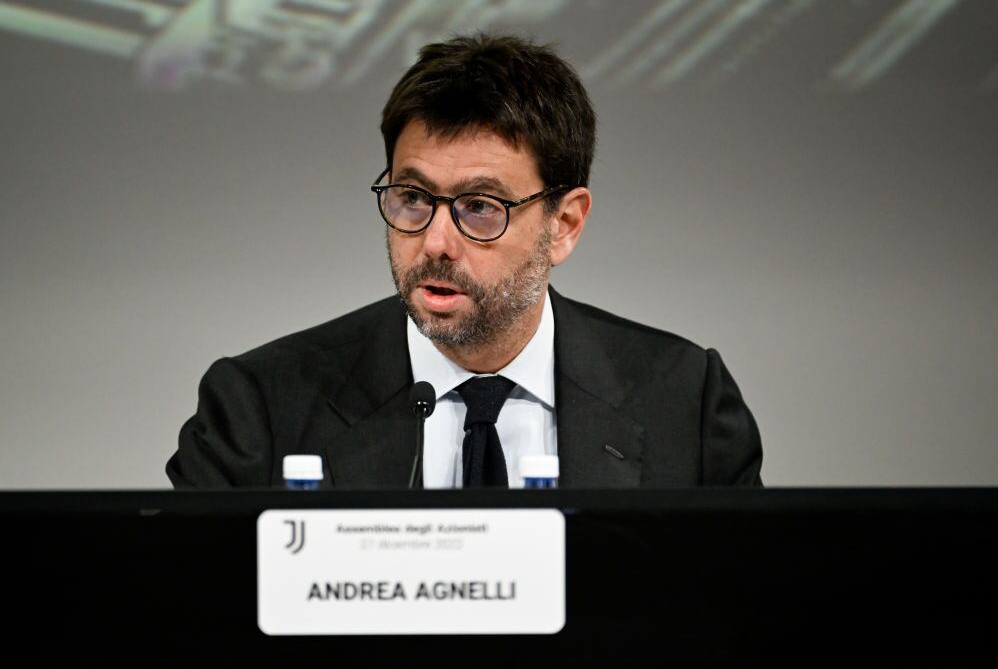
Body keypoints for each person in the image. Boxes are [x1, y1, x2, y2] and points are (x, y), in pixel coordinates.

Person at [166, 33, 763, 489]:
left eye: (479, 207)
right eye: (412, 197)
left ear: (564, 225)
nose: (435, 242)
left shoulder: (684, 401)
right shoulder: (260, 407)